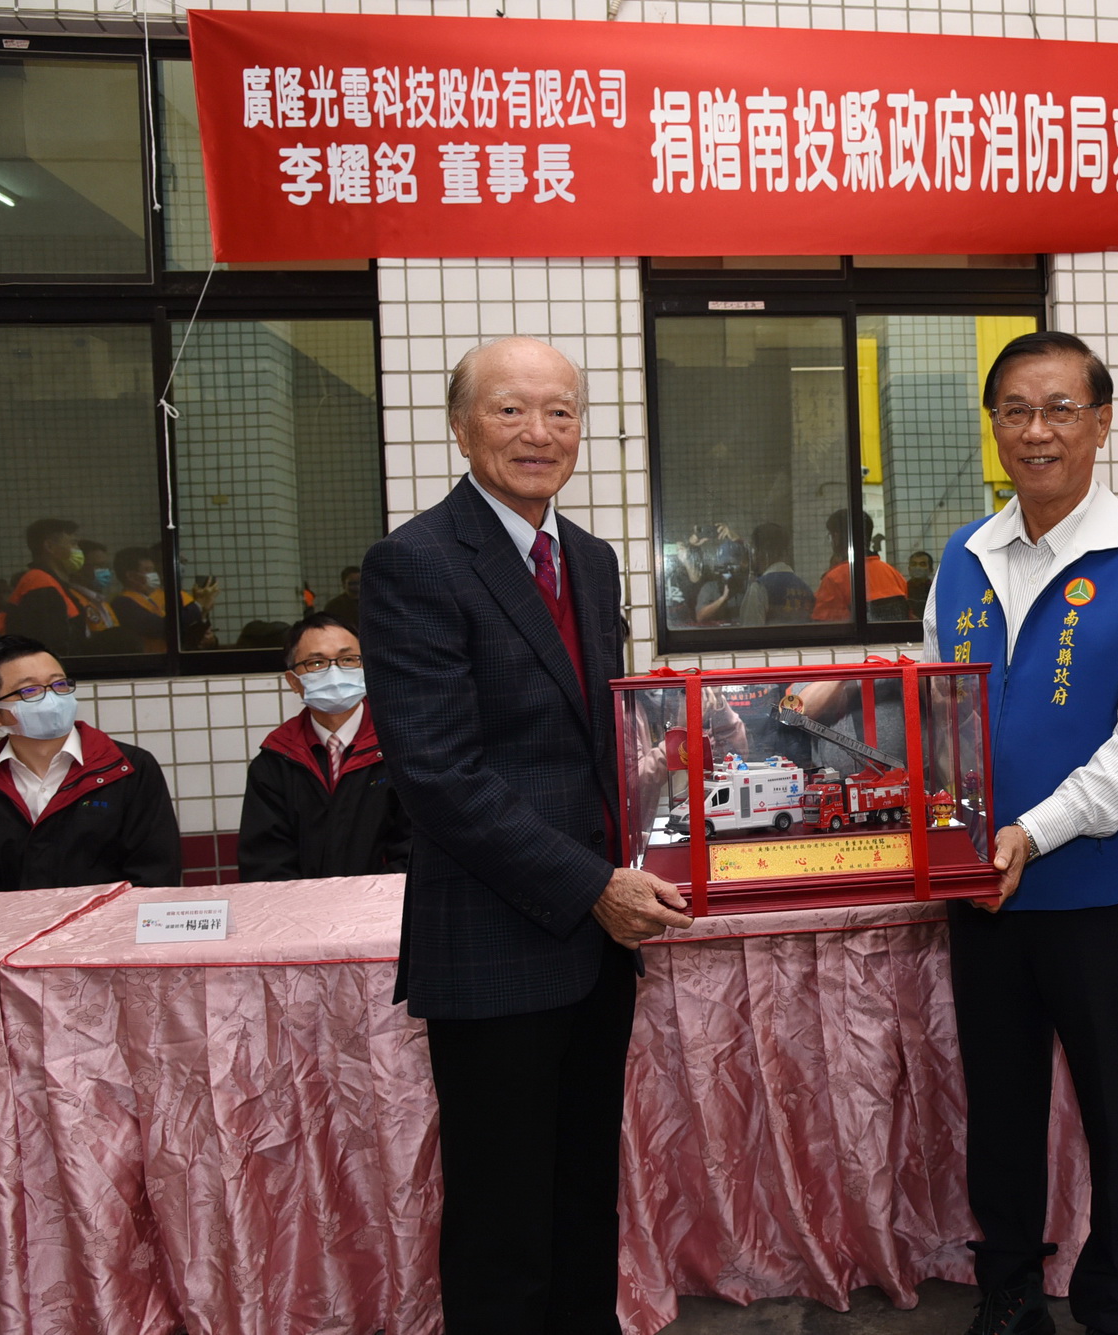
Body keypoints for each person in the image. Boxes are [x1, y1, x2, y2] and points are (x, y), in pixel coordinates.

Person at [361, 335, 692, 1333]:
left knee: (583, 1195)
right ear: (461, 427)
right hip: (498, 940)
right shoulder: (414, 562)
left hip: (596, 944)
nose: (537, 432)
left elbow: (602, 741)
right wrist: (592, 882)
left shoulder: (585, 560)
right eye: (509, 410)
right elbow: (438, 777)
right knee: (504, 1222)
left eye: (558, 412)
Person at [925, 330, 1118, 1335]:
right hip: (980, 896)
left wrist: (1031, 833)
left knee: (1116, 1106)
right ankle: (1007, 1290)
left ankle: (1115, 1290)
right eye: (1013, 412)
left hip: (1093, 896)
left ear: (1101, 421)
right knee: (999, 1107)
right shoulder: (961, 557)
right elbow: (936, 720)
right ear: (993, 425)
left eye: (1059, 409)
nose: (1034, 432)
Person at [0, 634, 180, 895]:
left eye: (59, 684)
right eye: (30, 690)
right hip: (12, 934)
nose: (52, 698)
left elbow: (156, 876)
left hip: (108, 932)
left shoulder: (128, 768)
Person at [237, 613, 410, 881]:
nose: (335, 672)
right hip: (301, 914)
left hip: (387, 911)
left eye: (348, 659)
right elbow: (265, 863)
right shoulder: (276, 760)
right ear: (294, 682)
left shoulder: (402, 747)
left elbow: (417, 849)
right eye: (316, 662)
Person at [6, 518, 90, 655]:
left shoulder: (50, 582)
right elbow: (52, 644)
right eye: (73, 543)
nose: (78, 550)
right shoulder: (40, 586)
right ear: (50, 547)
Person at [111, 547, 215, 653]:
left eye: (153, 570)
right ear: (131, 576)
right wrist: (197, 606)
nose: (154, 575)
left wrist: (203, 613)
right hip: (148, 663)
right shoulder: (123, 603)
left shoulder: (148, 600)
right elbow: (163, 628)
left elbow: (181, 637)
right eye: (147, 570)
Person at [812, 508, 909, 621]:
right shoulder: (893, 574)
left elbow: (828, 626)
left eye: (831, 536)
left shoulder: (834, 579)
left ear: (836, 537)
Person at [738, 522, 815, 625]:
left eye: (754, 550)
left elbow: (750, 633)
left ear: (764, 553)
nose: (753, 556)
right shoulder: (805, 589)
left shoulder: (759, 588)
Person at [906, 549, 935, 619]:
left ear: (930, 569)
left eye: (922, 564)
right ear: (909, 569)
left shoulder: (935, 591)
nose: (917, 568)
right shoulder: (902, 590)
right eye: (914, 564)